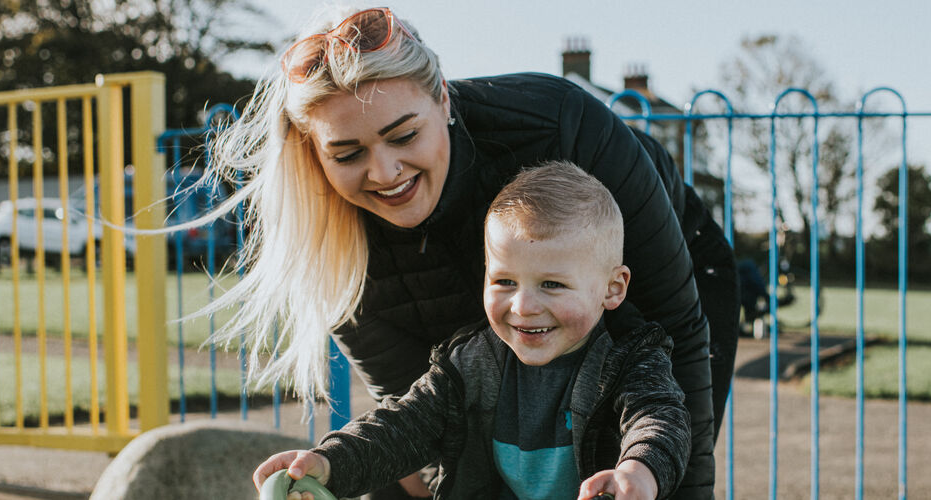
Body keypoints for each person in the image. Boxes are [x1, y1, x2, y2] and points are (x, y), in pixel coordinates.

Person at [198, 6, 736, 498]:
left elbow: (672, 360)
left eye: (404, 136)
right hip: (478, 347)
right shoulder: (333, 246)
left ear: (444, 100)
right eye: (348, 152)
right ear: (316, 153)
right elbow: (417, 424)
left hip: (661, 299)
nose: (385, 173)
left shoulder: (560, 124)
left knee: (618, 460)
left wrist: (651, 478)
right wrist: (331, 462)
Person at [253, 162, 690, 500]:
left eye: (552, 284)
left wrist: (638, 470)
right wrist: (328, 462)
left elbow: (659, 417)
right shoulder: (470, 363)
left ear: (612, 289)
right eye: (504, 282)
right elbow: (402, 426)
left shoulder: (629, 358)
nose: (522, 306)